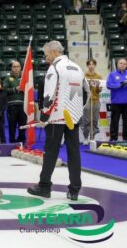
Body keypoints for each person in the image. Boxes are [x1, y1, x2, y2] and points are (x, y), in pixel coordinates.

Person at [27, 40, 89, 201]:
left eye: (46, 54)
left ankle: (44, 187)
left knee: (51, 153)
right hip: (73, 117)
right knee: (74, 152)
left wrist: (45, 116)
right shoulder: (77, 67)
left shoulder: (54, 68)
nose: (46, 57)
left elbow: (49, 95)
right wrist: (76, 110)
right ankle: (74, 190)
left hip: (56, 118)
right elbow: (86, 93)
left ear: (54, 52)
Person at [3, 61, 27, 143]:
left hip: (23, 106)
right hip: (12, 106)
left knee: (23, 125)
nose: (16, 68)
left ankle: (22, 141)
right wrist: (14, 89)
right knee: (12, 125)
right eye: (14, 66)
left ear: (20, 68)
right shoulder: (7, 79)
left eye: (18, 66)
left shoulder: (25, 79)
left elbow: (30, 90)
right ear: (11, 68)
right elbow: (4, 90)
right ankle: (12, 141)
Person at [81, 59, 102, 145]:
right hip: (87, 100)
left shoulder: (99, 76)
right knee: (86, 120)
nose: (91, 66)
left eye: (93, 64)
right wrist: (87, 85)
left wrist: (97, 86)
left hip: (96, 100)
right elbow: (81, 88)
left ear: (95, 65)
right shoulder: (83, 76)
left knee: (95, 119)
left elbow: (99, 90)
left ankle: (93, 137)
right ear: (87, 66)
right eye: (89, 64)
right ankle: (86, 137)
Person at [106, 58, 127, 141]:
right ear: (117, 64)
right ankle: (113, 138)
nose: (122, 65)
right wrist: (120, 85)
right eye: (121, 63)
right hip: (116, 103)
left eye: (124, 64)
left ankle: (125, 139)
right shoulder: (112, 74)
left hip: (126, 103)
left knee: (126, 122)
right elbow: (109, 85)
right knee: (114, 122)